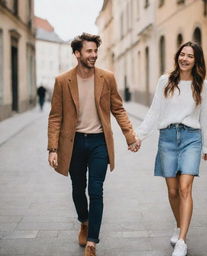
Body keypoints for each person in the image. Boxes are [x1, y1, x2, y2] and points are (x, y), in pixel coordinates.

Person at [47, 33, 140, 256]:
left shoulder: (107, 77)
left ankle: (92, 242)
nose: (94, 55)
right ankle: (84, 221)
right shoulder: (63, 80)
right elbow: (55, 116)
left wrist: (130, 136)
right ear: (77, 53)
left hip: (99, 142)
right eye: (89, 51)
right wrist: (53, 148)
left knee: (95, 190)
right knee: (78, 188)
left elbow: (118, 108)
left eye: (96, 51)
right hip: (74, 143)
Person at [135, 41, 207, 256]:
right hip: (167, 138)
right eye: (182, 54)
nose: (184, 59)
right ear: (177, 56)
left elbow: (205, 115)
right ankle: (179, 226)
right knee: (172, 190)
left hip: (191, 138)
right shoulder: (165, 81)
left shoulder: (203, 85)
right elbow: (154, 111)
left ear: (197, 61)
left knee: (185, 188)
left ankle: (182, 241)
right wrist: (139, 136)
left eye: (190, 56)